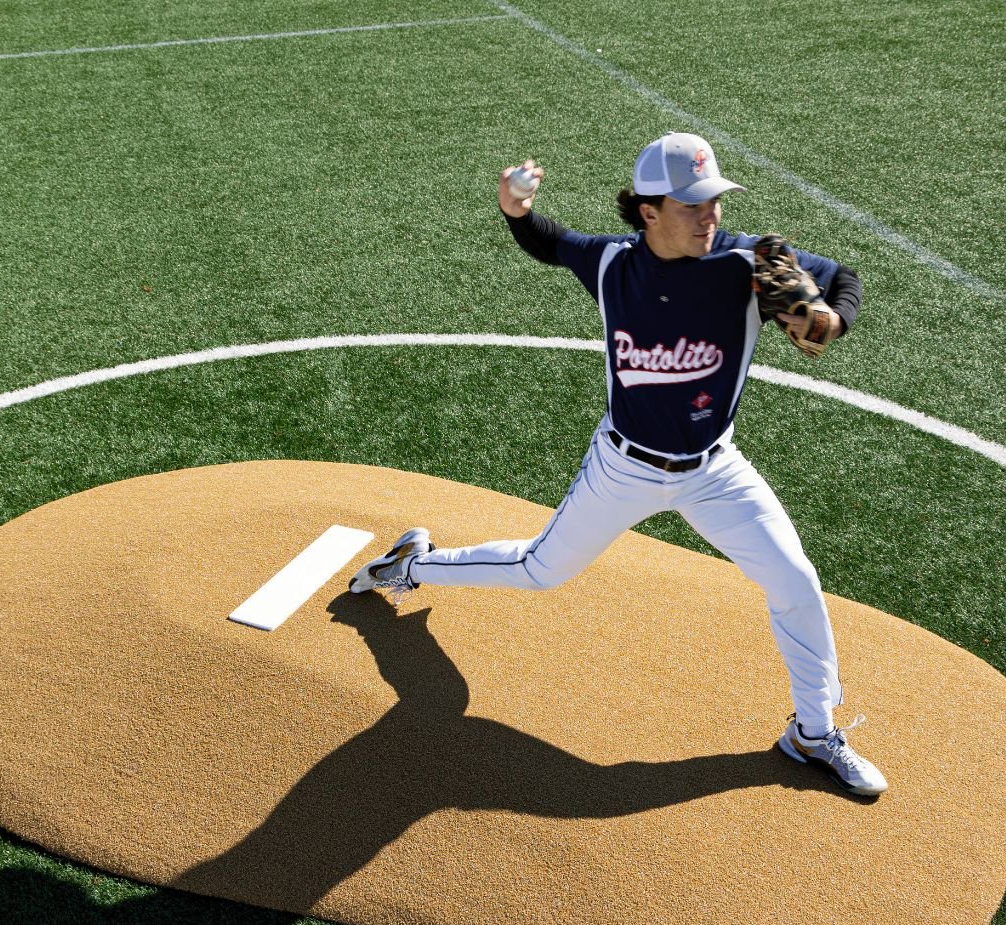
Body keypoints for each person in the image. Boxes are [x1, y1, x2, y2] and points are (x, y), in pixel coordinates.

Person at [349, 132, 886, 796]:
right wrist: (515, 209)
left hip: (715, 471)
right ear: (648, 211)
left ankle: (812, 731)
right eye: (691, 205)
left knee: (796, 581)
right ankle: (411, 563)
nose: (709, 215)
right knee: (539, 572)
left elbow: (844, 279)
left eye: (714, 200)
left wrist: (835, 317)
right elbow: (551, 242)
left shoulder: (747, 263)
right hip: (622, 468)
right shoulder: (610, 264)